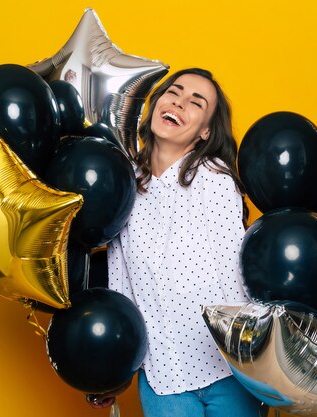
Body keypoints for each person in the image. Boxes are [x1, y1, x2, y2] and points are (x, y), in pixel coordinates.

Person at [89, 68, 262, 417]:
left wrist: (264, 356)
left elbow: (237, 271)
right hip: (162, 374)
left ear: (205, 131)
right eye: (173, 92)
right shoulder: (123, 184)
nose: (178, 103)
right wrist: (114, 369)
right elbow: (120, 285)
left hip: (228, 368)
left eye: (195, 102)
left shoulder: (215, 178)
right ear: (156, 104)